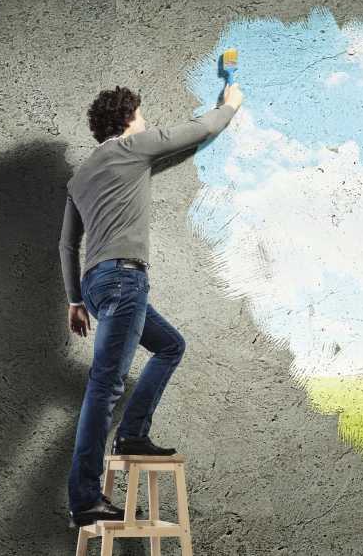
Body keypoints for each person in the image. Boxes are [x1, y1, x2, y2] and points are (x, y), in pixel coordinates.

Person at [59, 82, 243, 528]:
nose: (145, 122)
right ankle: (84, 497)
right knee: (104, 386)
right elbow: (200, 129)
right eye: (140, 115)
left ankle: (133, 435)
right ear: (128, 118)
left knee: (170, 345)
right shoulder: (133, 147)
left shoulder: (80, 176)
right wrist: (230, 105)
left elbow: (67, 244)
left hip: (97, 286)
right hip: (125, 278)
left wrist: (75, 300)